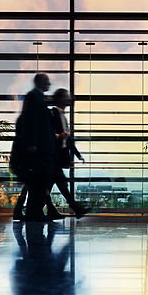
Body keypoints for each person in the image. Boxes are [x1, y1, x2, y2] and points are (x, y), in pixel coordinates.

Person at [10, 73, 57, 222]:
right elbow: (31, 122)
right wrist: (32, 144)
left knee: (36, 183)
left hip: (39, 149)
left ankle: (34, 213)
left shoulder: (37, 97)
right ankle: (34, 213)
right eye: (47, 82)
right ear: (41, 82)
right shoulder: (33, 97)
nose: (49, 85)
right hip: (37, 150)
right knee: (38, 182)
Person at [48, 88, 89, 219]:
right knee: (61, 184)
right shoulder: (53, 114)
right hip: (53, 157)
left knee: (51, 186)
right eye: (66, 96)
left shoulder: (63, 116)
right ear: (61, 99)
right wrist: (59, 136)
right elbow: (48, 134)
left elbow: (69, 140)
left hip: (58, 158)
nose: (69, 98)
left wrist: (78, 154)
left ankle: (52, 211)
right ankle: (77, 209)